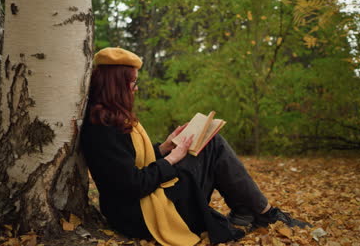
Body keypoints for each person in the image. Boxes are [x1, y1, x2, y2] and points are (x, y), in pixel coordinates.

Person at [80, 47, 311, 245]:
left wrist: (166, 147)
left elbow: (132, 158)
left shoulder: (111, 118)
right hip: (138, 214)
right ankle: (262, 213)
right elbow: (131, 184)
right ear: (116, 85)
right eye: (133, 83)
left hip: (147, 201)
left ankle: (251, 212)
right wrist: (171, 159)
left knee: (210, 141)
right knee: (213, 144)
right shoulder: (100, 126)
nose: (136, 89)